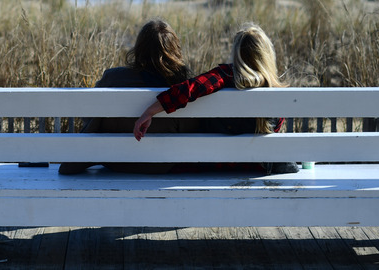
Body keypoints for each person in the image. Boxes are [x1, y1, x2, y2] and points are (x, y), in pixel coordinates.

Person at [133, 22, 298, 174]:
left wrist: (150, 111)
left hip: (215, 163)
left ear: (236, 54)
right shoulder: (277, 93)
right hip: (253, 167)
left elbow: (189, 89)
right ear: (267, 55)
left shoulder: (225, 75)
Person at [58, 19, 199, 175]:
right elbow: (191, 131)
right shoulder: (181, 88)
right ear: (174, 50)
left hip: (114, 162)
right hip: (162, 166)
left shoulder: (113, 78)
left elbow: (90, 118)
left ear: (139, 49)